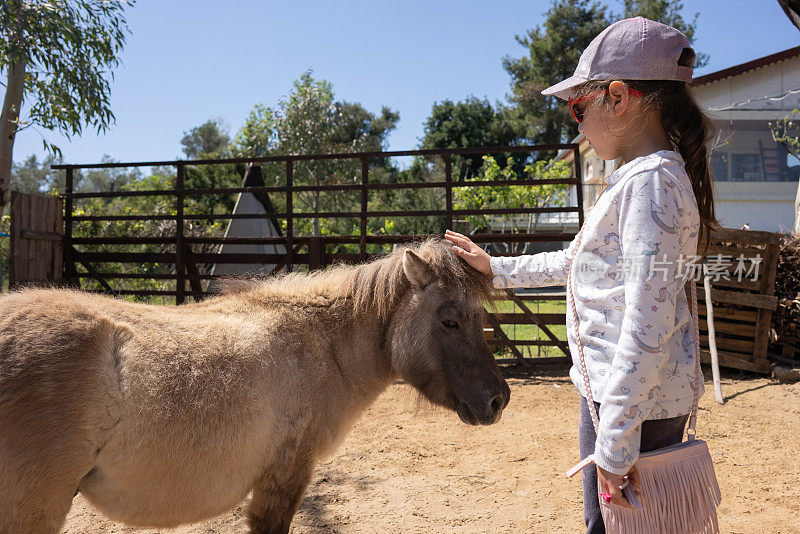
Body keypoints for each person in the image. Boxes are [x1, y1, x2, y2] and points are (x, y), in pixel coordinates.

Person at [444, 17, 720, 534]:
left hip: (634, 407)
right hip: (626, 399)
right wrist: (494, 268)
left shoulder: (650, 186)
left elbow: (647, 320)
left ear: (618, 98)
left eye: (579, 107)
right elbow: (577, 263)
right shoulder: (636, 181)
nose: (577, 124)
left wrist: (616, 442)